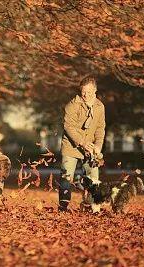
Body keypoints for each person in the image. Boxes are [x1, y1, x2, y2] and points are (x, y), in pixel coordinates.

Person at [59, 76, 106, 212]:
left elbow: (100, 128)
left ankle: (90, 205)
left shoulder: (100, 107)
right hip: (71, 147)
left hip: (89, 148)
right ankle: (63, 207)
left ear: (95, 91)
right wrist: (83, 142)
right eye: (83, 92)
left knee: (93, 178)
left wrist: (98, 146)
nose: (85, 95)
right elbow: (69, 127)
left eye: (89, 92)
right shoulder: (72, 105)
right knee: (66, 177)